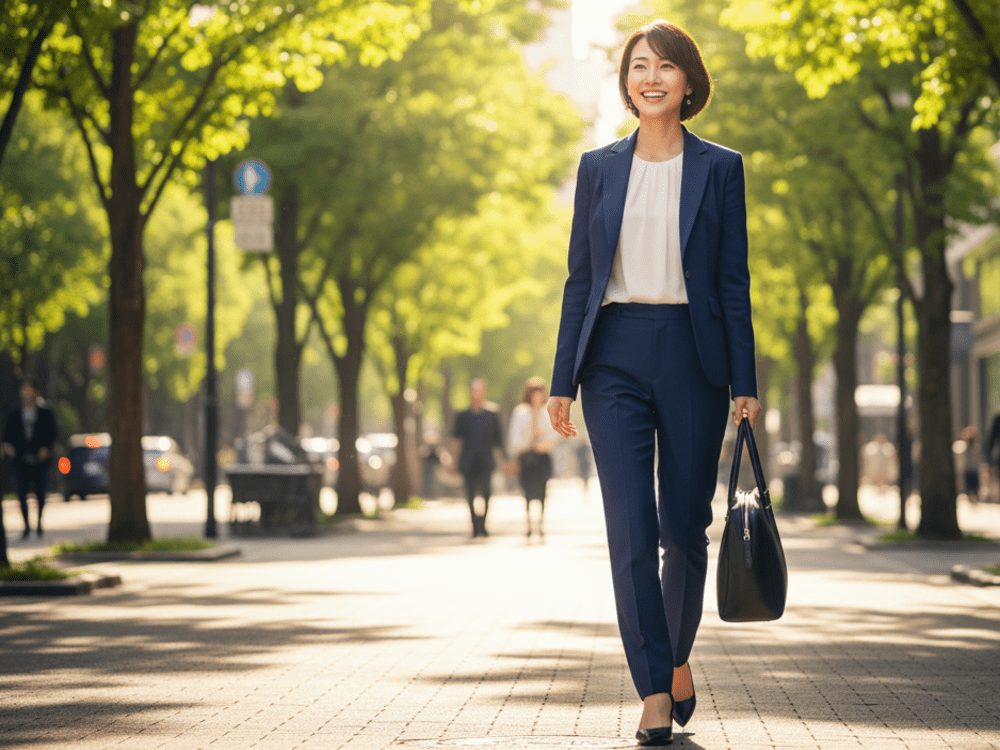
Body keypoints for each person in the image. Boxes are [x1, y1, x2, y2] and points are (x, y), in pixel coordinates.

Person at [546, 20, 762, 746]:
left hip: (693, 355)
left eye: (666, 66)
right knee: (631, 527)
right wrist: (561, 380)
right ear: (627, 83)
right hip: (611, 355)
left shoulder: (721, 167)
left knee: (683, 530)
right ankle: (653, 687)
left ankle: (674, 658)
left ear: (688, 82)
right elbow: (581, 278)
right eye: (639, 65)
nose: (651, 76)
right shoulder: (598, 166)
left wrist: (744, 379)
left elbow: (733, 281)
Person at [2, 378, 58, 539]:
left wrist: (47, 449)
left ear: (35, 391)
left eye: (30, 389)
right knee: (22, 493)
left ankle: (39, 524)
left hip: (40, 460)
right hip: (20, 459)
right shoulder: (14, 412)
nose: (27, 392)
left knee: (40, 494)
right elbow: (7, 434)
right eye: (24, 389)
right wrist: (8, 446)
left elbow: (53, 433)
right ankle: (26, 526)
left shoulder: (45, 411)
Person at [451, 378, 505, 538]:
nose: (477, 394)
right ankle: (474, 524)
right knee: (470, 493)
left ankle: (484, 523)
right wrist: (453, 461)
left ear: (484, 393)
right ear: (470, 393)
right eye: (474, 390)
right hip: (467, 460)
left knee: (487, 492)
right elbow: (456, 439)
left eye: (480, 390)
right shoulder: (462, 415)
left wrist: (502, 461)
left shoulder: (492, 414)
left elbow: (498, 440)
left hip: (486, 460)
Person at [508, 377, 559, 537]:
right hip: (526, 457)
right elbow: (515, 437)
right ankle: (529, 523)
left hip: (542, 457)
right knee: (527, 491)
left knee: (542, 490)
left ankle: (541, 523)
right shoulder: (520, 412)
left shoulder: (548, 411)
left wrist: (544, 444)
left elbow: (553, 435)